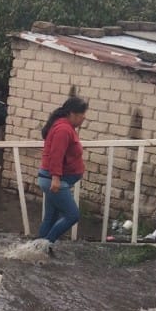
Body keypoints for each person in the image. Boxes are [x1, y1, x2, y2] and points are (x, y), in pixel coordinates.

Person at [37, 97, 89, 254]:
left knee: (51, 217)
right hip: (55, 180)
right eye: (82, 114)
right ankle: (45, 245)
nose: (84, 117)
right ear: (72, 113)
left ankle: (38, 248)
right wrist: (56, 178)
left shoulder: (64, 126)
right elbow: (56, 155)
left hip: (52, 179)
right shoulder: (63, 129)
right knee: (72, 215)